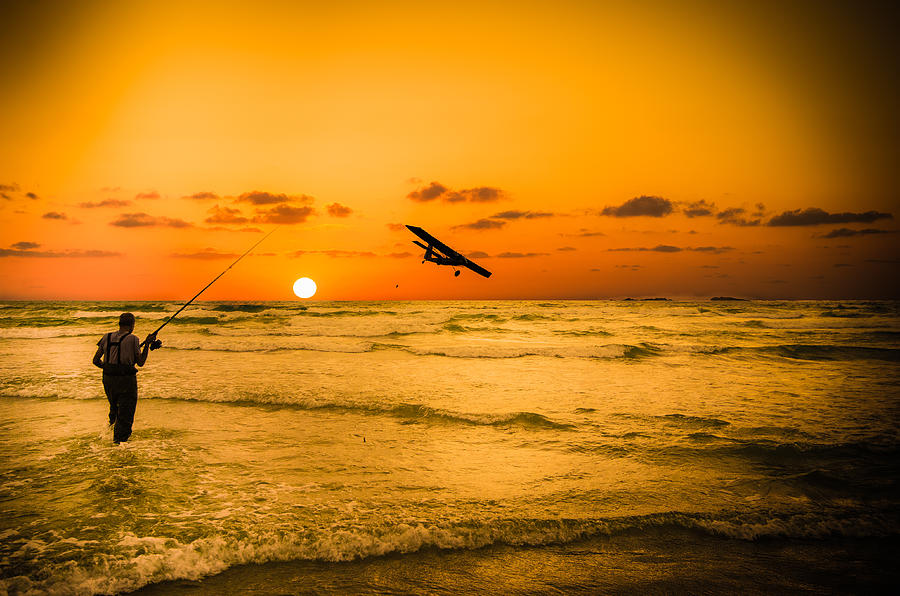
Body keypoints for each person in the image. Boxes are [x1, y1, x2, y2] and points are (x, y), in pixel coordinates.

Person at [92, 313, 157, 443]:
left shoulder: (106, 337)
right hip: (126, 381)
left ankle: (109, 436)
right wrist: (147, 345)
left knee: (114, 409)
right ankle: (119, 444)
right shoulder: (133, 339)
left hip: (108, 380)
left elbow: (95, 360)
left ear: (120, 324)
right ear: (132, 325)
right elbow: (141, 362)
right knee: (125, 415)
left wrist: (110, 368)